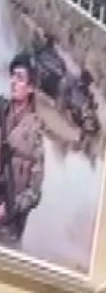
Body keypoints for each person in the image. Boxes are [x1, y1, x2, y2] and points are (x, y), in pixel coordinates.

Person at [0, 52, 45, 247]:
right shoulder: (1, 112)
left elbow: (35, 192)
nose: (13, 82)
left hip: (8, 229)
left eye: (20, 78)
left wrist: (11, 208)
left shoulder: (35, 134)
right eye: (12, 76)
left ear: (31, 87)